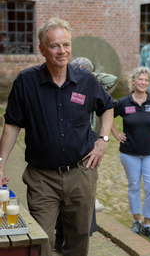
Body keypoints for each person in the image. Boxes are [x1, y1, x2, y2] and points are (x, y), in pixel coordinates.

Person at [0, 17, 114, 256]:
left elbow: (108, 107)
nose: (62, 51)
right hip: (42, 178)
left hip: (81, 174)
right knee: (42, 239)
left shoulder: (86, 81)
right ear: (42, 49)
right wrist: (0, 164)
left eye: (66, 44)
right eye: (54, 46)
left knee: (78, 239)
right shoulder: (26, 82)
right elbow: (12, 124)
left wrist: (103, 141)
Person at [53, 56, 117, 251]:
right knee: (65, 200)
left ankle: (79, 235)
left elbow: (112, 79)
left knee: (83, 198)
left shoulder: (91, 86)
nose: (81, 73)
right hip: (67, 146)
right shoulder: (64, 88)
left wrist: (88, 75)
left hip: (88, 146)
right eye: (78, 69)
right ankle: (59, 239)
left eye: (86, 70)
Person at [111, 66, 150, 240]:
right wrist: (115, 133)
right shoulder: (124, 102)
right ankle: (136, 220)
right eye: (140, 79)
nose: (143, 83)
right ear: (134, 81)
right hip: (129, 152)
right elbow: (107, 114)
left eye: (146, 80)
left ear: (148, 83)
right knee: (134, 186)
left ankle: (147, 224)